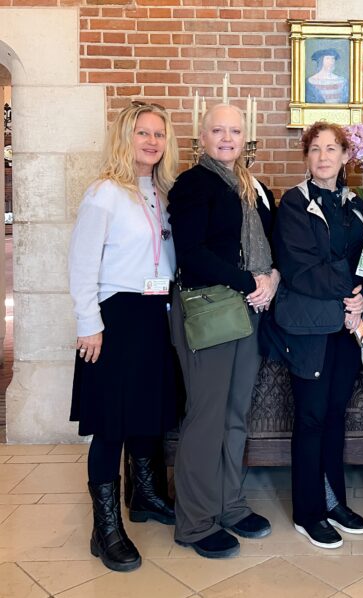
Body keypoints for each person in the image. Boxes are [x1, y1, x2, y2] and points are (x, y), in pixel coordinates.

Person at [69, 101, 180, 572]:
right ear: (125, 138)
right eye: (143, 134)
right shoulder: (104, 194)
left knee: (147, 412)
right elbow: (81, 262)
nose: (152, 142)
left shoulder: (164, 194)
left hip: (157, 314)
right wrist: (87, 322)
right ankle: (106, 528)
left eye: (158, 134)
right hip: (115, 317)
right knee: (111, 422)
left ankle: (147, 497)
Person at [167, 103, 280, 559]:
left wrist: (270, 279)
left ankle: (229, 505)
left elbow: (270, 248)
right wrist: (250, 281)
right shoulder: (194, 184)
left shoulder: (253, 186)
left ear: (245, 137)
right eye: (218, 130)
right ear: (202, 136)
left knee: (236, 414)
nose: (227, 137)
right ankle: (194, 522)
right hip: (210, 309)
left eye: (235, 130)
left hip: (249, 310)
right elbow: (191, 253)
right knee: (206, 417)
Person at [265, 122, 363, 549]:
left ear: (346, 156)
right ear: (306, 157)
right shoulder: (293, 203)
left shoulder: (357, 204)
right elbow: (299, 268)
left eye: (332, 149)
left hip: (346, 327)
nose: (323, 156)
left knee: (334, 416)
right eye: (315, 149)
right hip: (308, 325)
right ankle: (309, 512)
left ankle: (334, 502)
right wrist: (351, 290)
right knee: (310, 418)